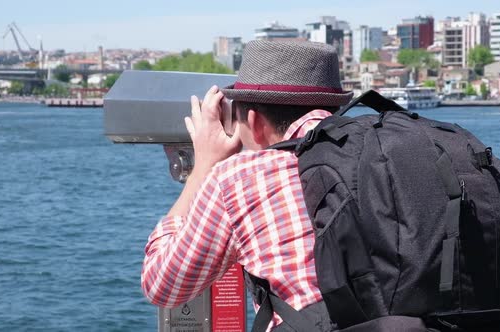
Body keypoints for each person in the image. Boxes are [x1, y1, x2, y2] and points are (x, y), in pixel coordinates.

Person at [141, 40, 352, 330]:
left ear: (254, 122)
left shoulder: (239, 178)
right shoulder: (391, 152)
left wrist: (203, 166)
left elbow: (162, 286)